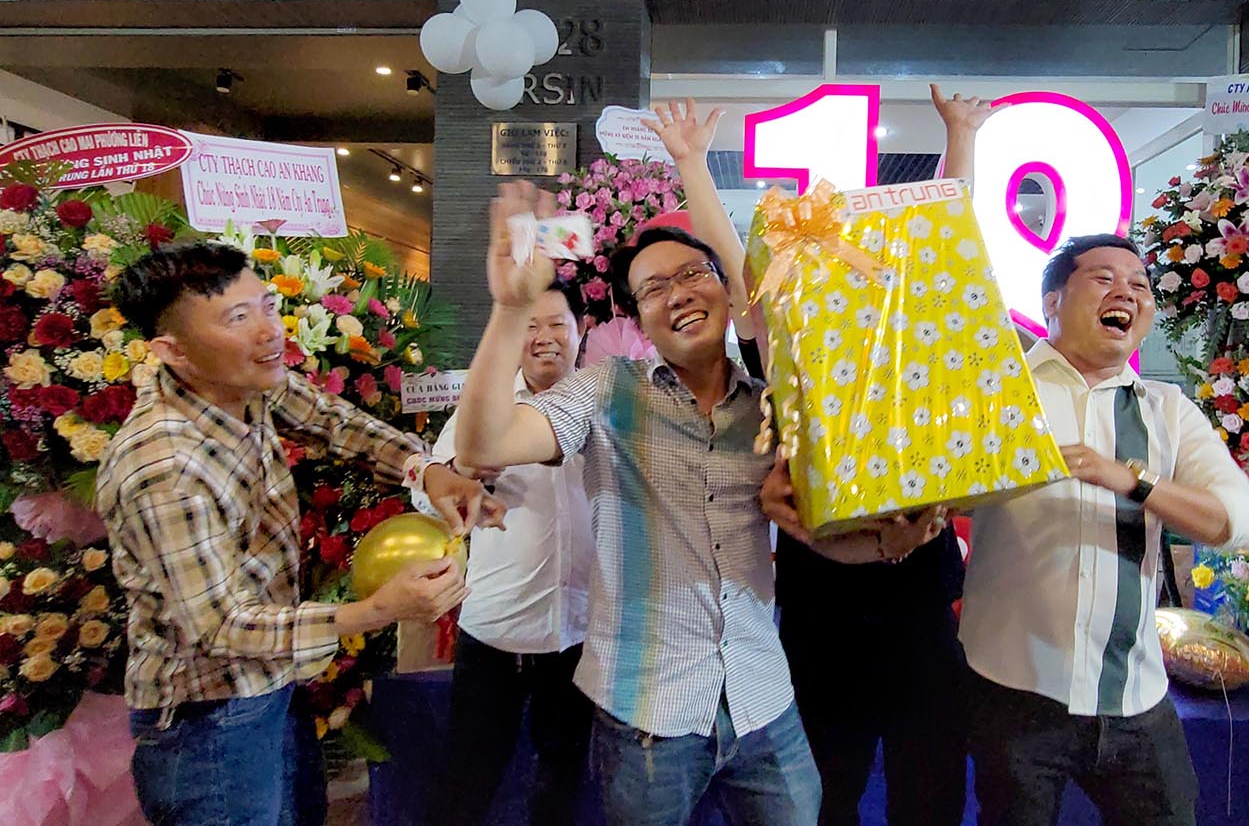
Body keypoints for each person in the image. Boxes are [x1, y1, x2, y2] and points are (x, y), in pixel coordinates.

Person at [451, 171, 942, 825]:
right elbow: (485, 443)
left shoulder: (774, 407)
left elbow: (815, 531)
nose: (678, 293)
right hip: (647, 714)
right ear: (637, 319)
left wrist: (887, 543)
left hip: (763, 700)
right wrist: (511, 308)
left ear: (728, 291)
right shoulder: (605, 392)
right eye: (653, 288)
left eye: (692, 274)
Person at [98, 241, 500, 826]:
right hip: (207, 716)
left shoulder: (245, 383)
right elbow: (222, 626)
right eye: (238, 318)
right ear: (172, 351)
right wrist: (376, 611)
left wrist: (426, 470)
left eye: (267, 305)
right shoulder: (164, 468)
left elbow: (331, 421)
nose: (270, 331)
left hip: (272, 682)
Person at [647, 91, 968, 826]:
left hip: (920, 605)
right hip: (821, 609)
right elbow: (734, 266)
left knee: (931, 796)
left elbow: (946, 239)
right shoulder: (787, 337)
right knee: (827, 794)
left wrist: (961, 137)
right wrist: (692, 163)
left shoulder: (916, 338)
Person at [954, 230, 1249, 825]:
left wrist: (1131, 479)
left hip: (1137, 698)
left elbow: (1246, 526)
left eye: (1139, 285)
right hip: (1014, 693)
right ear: (1051, 301)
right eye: (1103, 279)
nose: (1125, 292)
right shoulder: (997, 391)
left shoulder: (1167, 410)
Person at [414, 279, 595, 826]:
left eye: (557, 324)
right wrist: (460, 471)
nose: (544, 337)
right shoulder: (483, 412)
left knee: (563, 776)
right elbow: (426, 492)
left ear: (582, 330)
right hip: (497, 629)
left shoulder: (603, 406)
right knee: (469, 774)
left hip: (580, 631)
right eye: (529, 326)